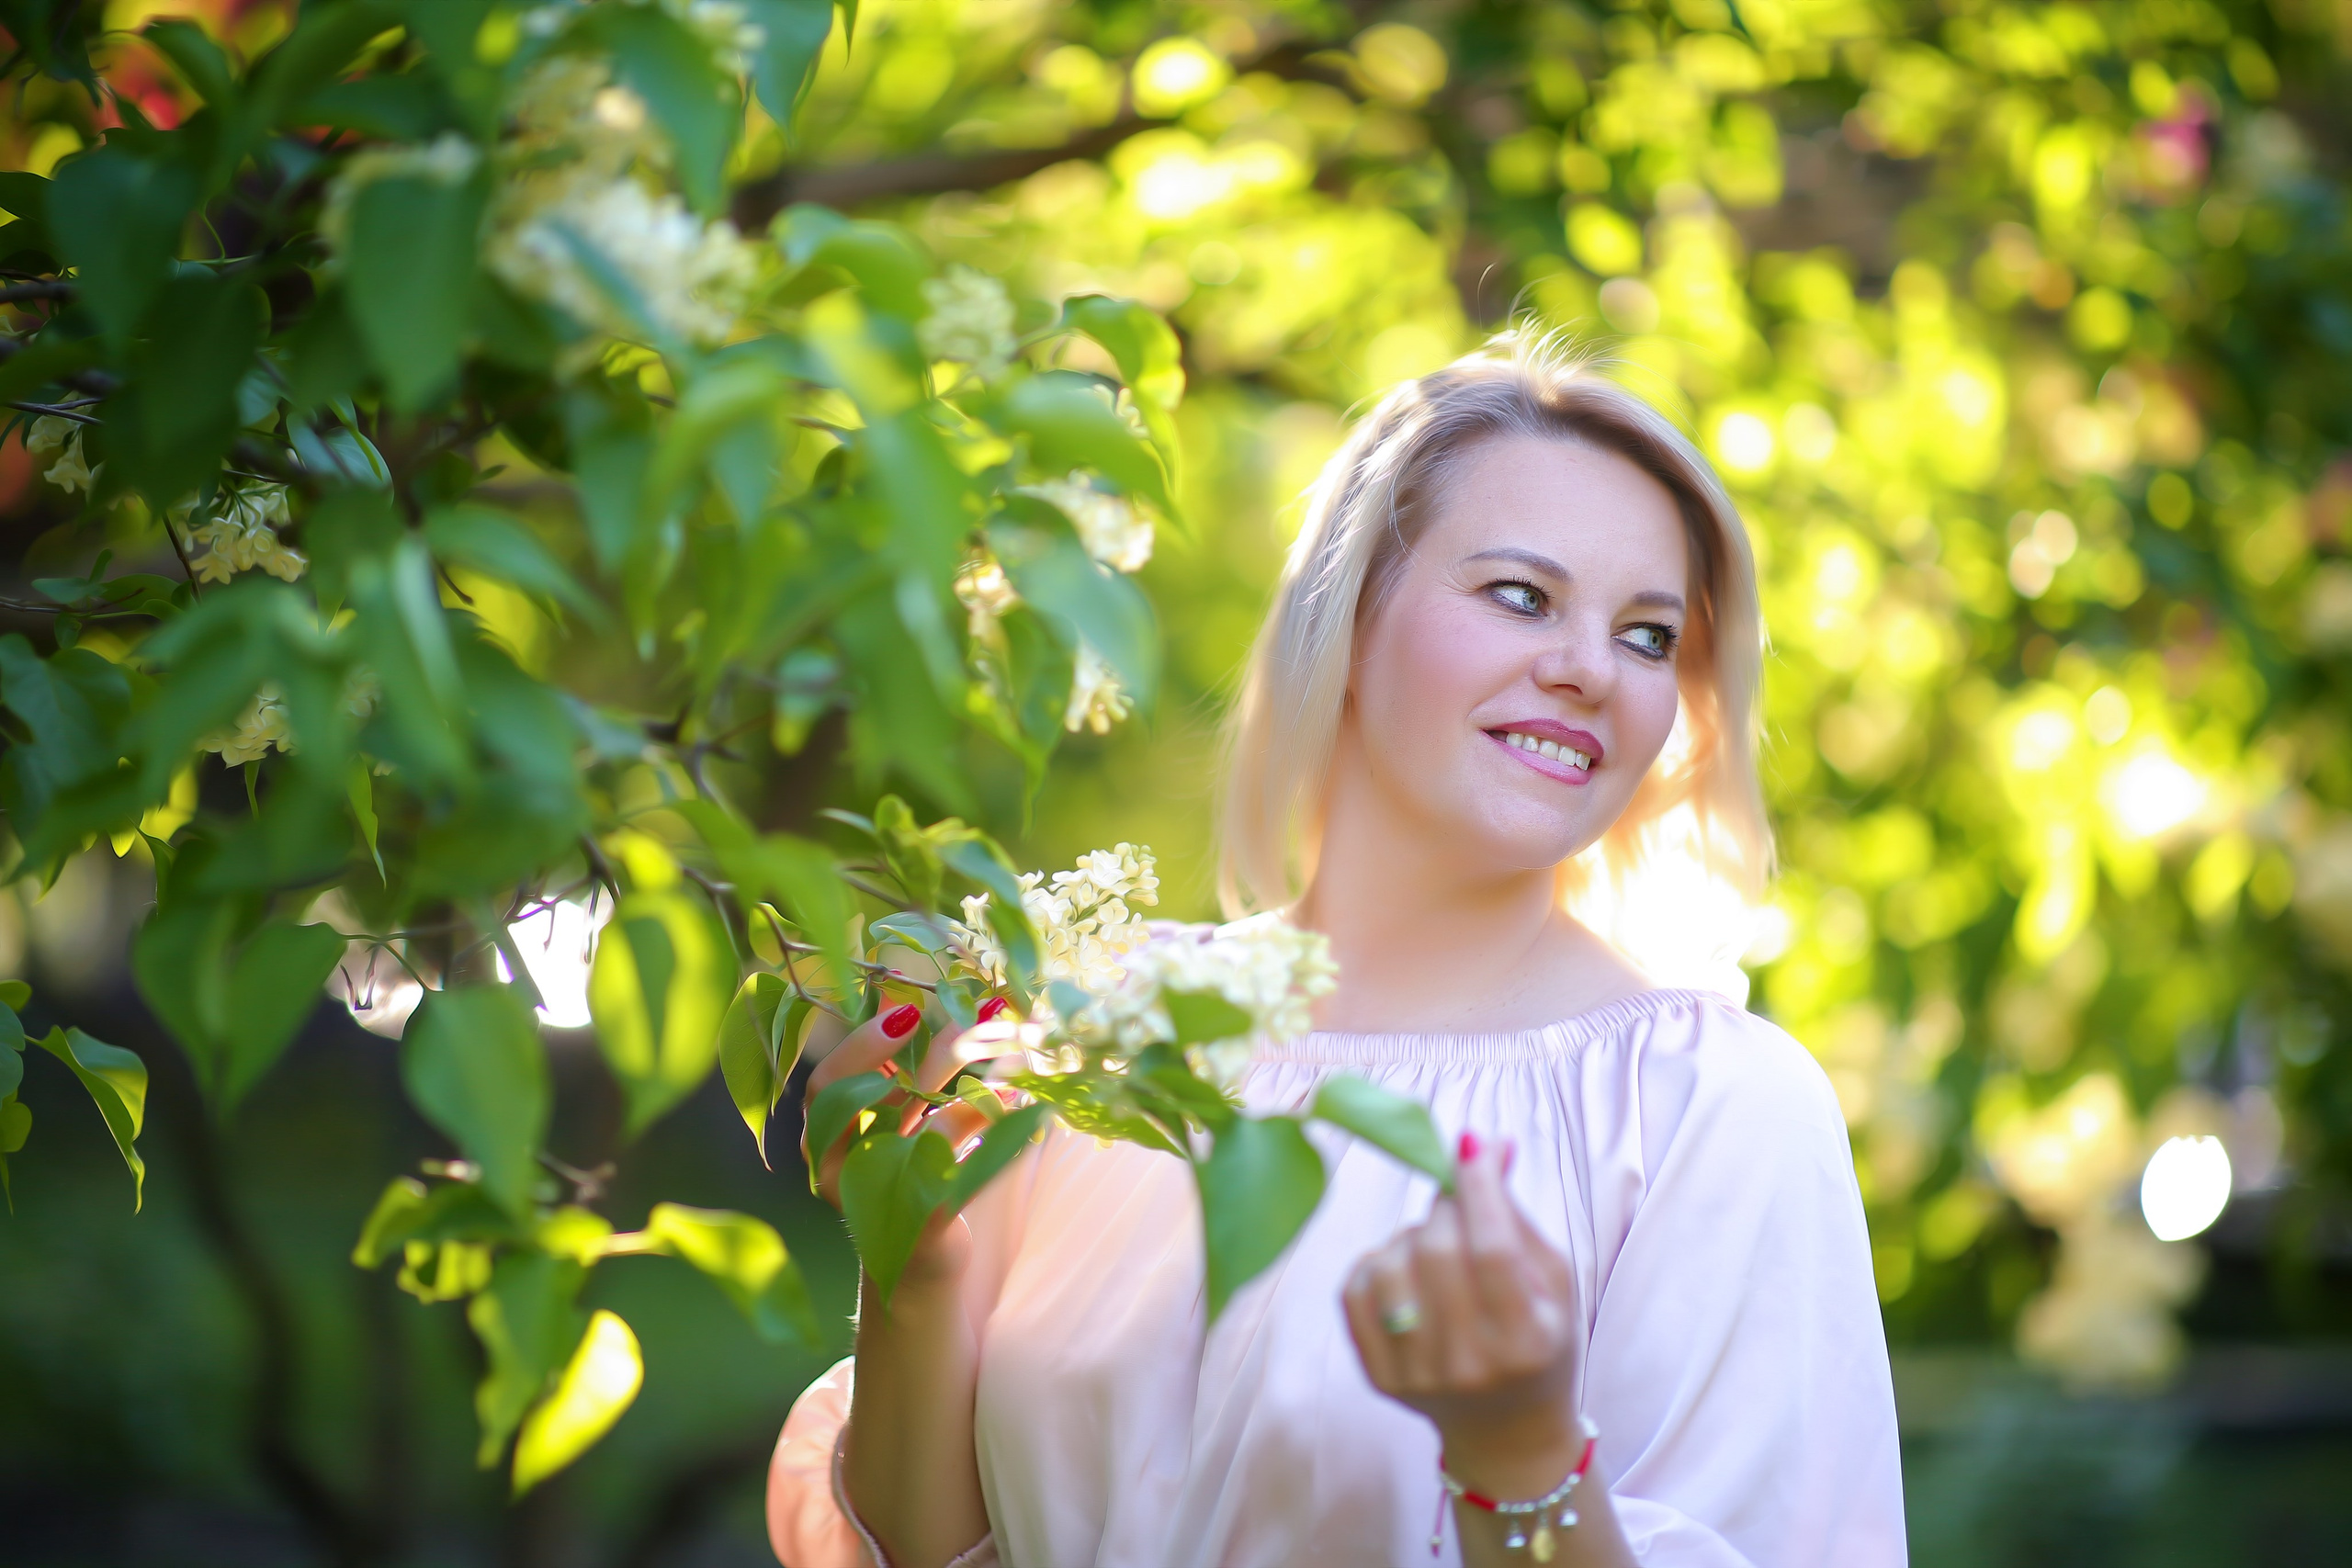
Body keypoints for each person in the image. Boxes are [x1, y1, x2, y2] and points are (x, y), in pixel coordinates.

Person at [766, 338, 1906, 1567]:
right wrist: (914, 1276)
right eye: (1522, 596)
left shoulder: (1705, 1107)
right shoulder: (1092, 1036)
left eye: (1646, 635)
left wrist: (1522, 1462)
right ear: (1351, 613)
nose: (1589, 669)